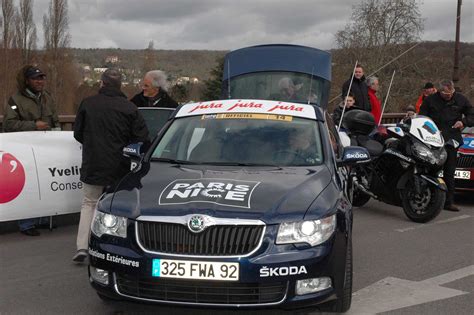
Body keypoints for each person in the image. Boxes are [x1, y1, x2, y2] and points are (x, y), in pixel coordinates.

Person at [72, 68, 149, 263]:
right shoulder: (130, 108)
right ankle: (112, 247)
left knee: (89, 203)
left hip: (93, 163)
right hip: (120, 166)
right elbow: (141, 138)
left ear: (102, 83)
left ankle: (82, 246)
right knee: (117, 208)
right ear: (120, 85)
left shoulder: (88, 104)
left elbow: (77, 133)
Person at [3, 65, 59, 236]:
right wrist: (33, 125)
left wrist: (57, 136)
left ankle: (42, 219)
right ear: (27, 80)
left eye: (42, 78)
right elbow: (9, 124)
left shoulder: (48, 97)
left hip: (47, 150)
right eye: (36, 78)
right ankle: (27, 224)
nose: (40, 81)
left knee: (45, 184)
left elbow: (55, 120)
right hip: (26, 152)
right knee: (30, 187)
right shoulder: (15, 100)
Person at [419, 79, 474, 212]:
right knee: (431, 169)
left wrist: (464, 122)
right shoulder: (430, 100)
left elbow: (472, 114)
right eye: (445, 94)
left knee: (449, 171)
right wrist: (429, 127)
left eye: (451, 93)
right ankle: (430, 199)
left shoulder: (461, 99)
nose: (448, 95)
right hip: (433, 138)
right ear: (440, 91)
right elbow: (421, 117)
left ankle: (449, 202)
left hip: (452, 139)